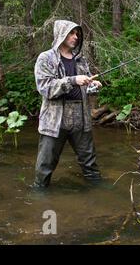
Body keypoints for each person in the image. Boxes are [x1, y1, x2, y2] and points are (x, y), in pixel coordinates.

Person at [33, 20, 103, 188]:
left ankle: (100, 192)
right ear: (61, 35)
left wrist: (93, 86)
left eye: (77, 34)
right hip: (54, 119)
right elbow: (45, 88)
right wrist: (73, 80)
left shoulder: (81, 60)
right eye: (71, 33)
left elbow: (84, 87)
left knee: (90, 162)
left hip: (81, 117)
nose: (75, 37)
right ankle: (39, 195)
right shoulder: (46, 58)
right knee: (45, 165)